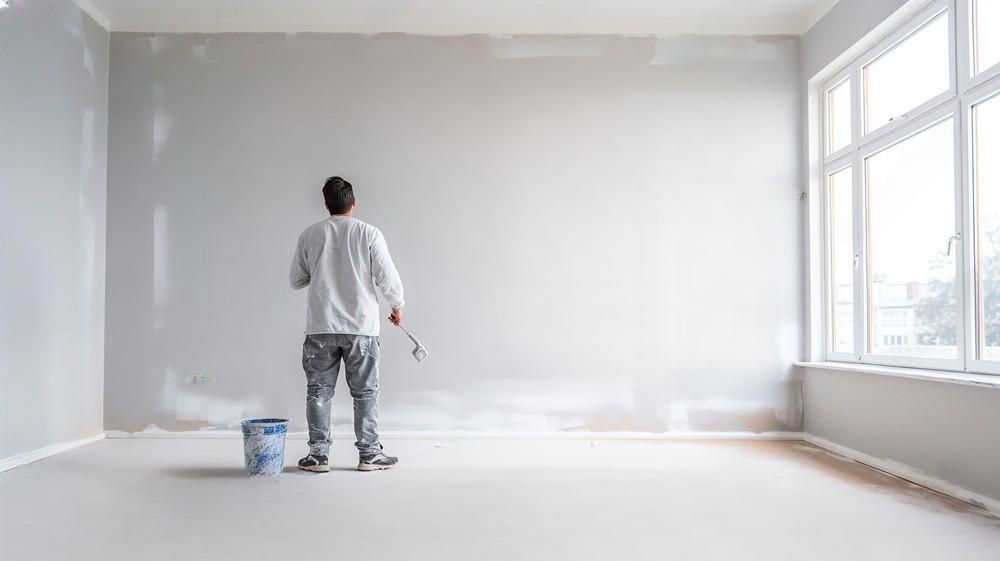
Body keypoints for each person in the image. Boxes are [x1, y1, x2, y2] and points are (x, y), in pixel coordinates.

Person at [289, 176, 405, 472]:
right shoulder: (369, 234)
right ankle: (369, 455)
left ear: (326, 204)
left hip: (321, 326)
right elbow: (387, 278)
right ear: (354, 202)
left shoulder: (310, 235)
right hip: (361, 328)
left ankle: (317, 456)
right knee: (365, 392)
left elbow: (296, 279)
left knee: (318, 392)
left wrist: (322, 271)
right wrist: (397, 307)